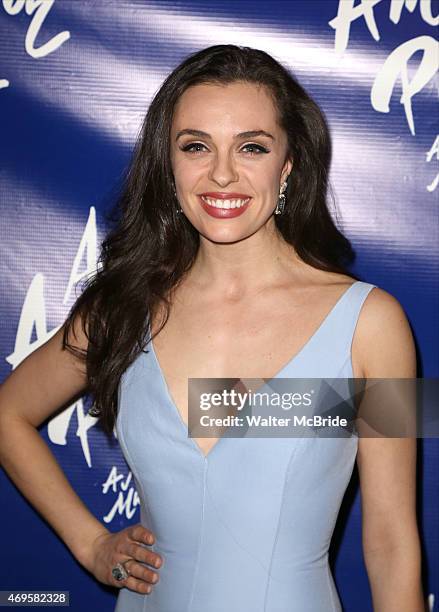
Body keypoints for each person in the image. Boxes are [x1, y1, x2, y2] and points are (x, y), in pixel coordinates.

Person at [0, 45, 425, 612]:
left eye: (252, 147)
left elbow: (393, 544)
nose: (222, 173)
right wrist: (91, 543)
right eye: (195, 146)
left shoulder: (371, 324)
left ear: (288, 166)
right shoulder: (121, 307)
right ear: (168, 164)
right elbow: (8, 414)